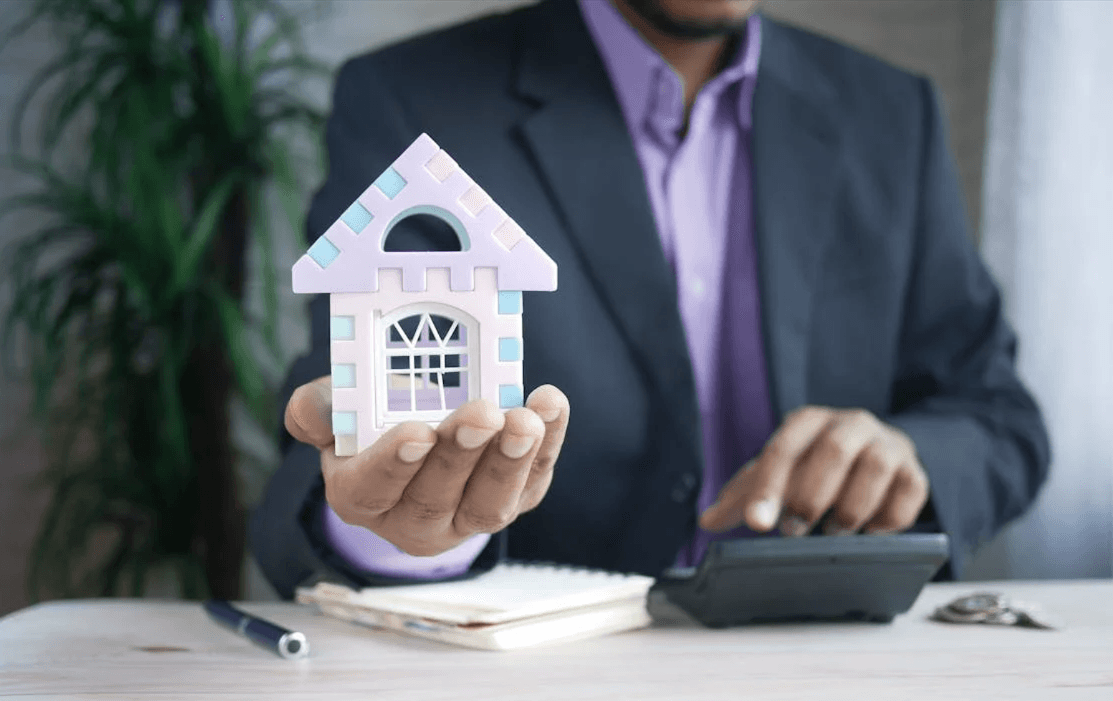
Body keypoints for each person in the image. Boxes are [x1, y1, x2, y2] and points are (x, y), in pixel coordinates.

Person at [250, 0, 1050, 599]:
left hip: (828, 655)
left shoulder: (890, 114)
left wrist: (909, 457)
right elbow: (342, 427)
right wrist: (402, 531)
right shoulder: (410, 100)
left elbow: (997, 417)